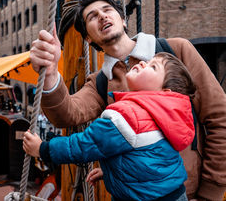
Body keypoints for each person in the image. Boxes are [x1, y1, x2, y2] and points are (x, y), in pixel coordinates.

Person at [29, 0, 226, 200]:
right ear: (88, 39)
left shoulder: (176, 51)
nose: (102, 16)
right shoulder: (101, 83)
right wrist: (50, 73)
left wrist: (211, 192)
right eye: (92, 16)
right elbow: (66, 115)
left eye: (107, 10)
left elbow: (222, 121)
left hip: (189, 192)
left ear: (123, 19)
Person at [24, 52, 196, 200]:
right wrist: (112, 171)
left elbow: (84, 145)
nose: (143, 62)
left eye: (153, 67)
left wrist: (43, 149)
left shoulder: (127, 115)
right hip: (173, 194)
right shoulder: (162, 118)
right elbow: (149, 159)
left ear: (164, 93)